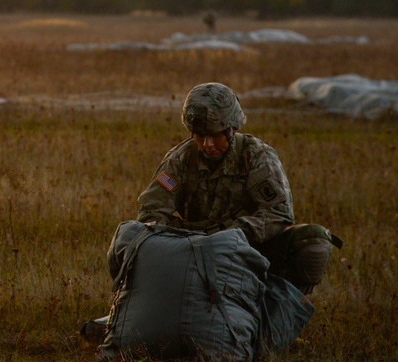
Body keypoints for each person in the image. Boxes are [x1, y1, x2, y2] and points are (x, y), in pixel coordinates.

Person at [137, 82, 339, 294]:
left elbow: (278, 213)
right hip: (190, 249)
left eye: (215, 135)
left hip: (246, 250)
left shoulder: (255, 156)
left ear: (232, 129)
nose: (207, 144)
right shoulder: (180, 160)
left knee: (311, 242)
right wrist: (177, 241)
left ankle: (278, 309)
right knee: (131, 238)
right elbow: (151, 211)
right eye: (199, 135)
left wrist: (234, 236)